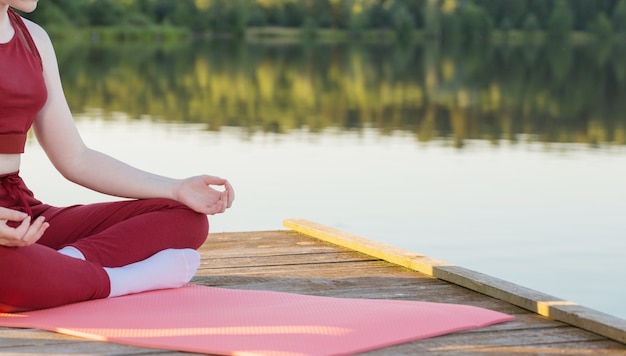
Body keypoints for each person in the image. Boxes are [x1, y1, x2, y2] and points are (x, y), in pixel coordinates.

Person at [0, 0, 234, 312]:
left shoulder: (33, 39)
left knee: (184, 217)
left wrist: (175, 188)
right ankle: (124, 280)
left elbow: (76, 158)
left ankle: (62, 267)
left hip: (19, 209)